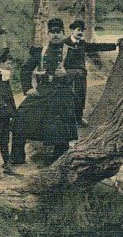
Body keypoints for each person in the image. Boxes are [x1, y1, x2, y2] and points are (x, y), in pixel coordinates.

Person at [11, 18, 80, 164]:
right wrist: (28, 88)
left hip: (63, 92)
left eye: (58, 32)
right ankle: (17, 156)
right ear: (48, 34)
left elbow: (82, 72)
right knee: (21, 115)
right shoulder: (40, 51)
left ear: (63, 33)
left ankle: (58, 157)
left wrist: (67, 72)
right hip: (43, 91)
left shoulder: (72, 51)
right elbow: (25, 69)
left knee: (61, 126)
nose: (55, 35)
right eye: (52, 32)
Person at [63, 20, 118, 126]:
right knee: (67, 97)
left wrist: (114, 45)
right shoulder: (64, 44)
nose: (81, 33)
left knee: (80, 96)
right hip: (67, 76)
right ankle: (66, 121)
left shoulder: (82, 44)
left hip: (81, 75)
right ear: (72, 30)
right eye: (79, 30)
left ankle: (78, 119)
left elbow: (96, 47)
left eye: (82, 31)